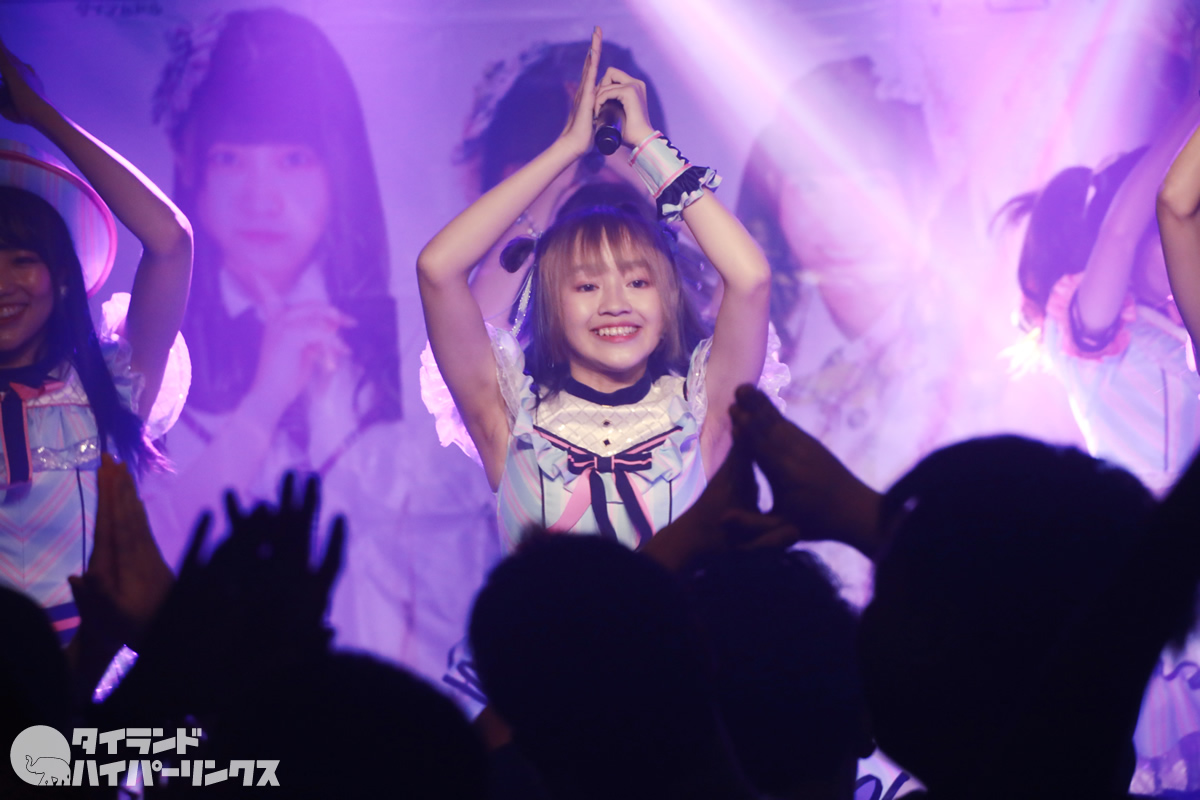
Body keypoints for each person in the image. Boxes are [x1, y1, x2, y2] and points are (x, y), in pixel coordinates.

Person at [139, 7, 470, 672]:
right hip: (205, 681)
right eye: (231, 159)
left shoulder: (412, 338)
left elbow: (446, 548)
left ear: (336, 168)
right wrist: (263, 404)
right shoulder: (154, 343)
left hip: (376, 681)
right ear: (189, 161)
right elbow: (151, 544)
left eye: (293, 159)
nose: (261, 198)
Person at [418, 27, 775, 551]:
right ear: (552, 306)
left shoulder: (701, 412)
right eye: (587, 285)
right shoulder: (508, 419)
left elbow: (751, 278)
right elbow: (437, 269)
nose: (615, 304)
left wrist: (646, 145)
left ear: (666, 300)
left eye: (637, 281)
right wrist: (566, 150)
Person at [0, 39, 192, 645]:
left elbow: (170, 241)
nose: (3, 284)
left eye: (22, 259)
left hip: (94, 681)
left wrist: (41, 115)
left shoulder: (107, 383)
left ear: (61, 274)